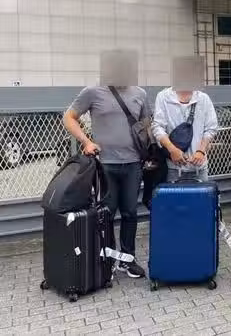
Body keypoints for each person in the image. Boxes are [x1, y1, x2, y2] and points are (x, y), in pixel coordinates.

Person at [64, 84, 148, 279]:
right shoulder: (93, 92)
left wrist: (150, 152)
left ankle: (127, 260)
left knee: (130, 213)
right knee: (106, 214)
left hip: (133, 164)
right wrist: (86, 142)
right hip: (105, 165)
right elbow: (68, 117)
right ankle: (106, 261)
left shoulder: (140, 93)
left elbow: (146, 125)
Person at [151, 86, 218, 183]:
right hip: (172, 167)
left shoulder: (203, 98)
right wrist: (173, 150)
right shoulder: (163, 97)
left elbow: (211, 128)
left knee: (201, 192)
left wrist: (201, 151)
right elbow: (158, 127)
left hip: (199, 167)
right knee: (172, 192)